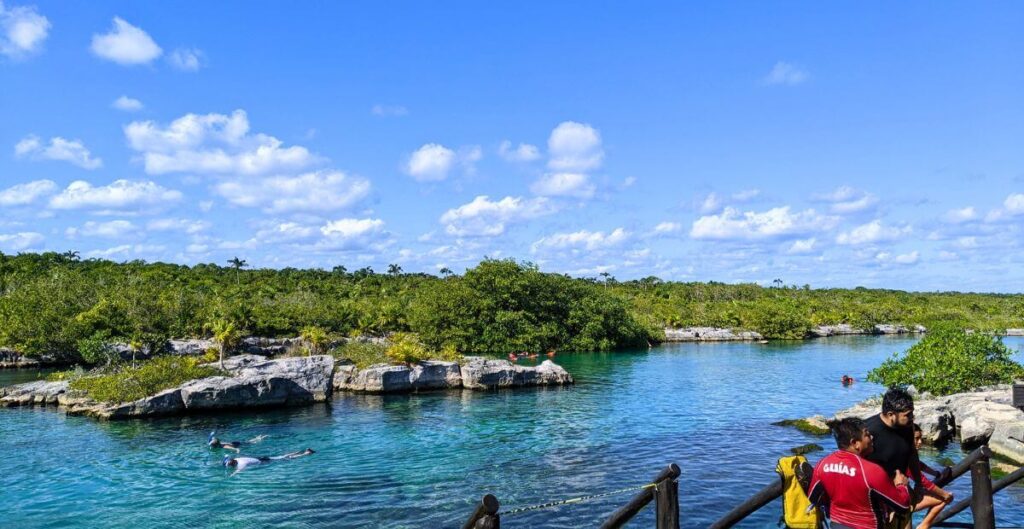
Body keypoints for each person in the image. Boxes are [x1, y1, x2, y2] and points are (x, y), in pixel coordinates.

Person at [808, 417, 910, 529]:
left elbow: (813, 498)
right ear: (855, 443)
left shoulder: (822, 464)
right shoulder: (871, 471)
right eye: (867, 434)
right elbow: (902, 505)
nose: (872, 437)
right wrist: (901, 485)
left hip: (837, 524)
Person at [864, 388, 937, 529]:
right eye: (908, 415)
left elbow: (912, 454)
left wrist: (919, 484)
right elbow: (855, 466)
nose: (912, 418)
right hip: (877, 500)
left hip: (902, 493)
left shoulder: (907, 427)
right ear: (891, 415)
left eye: (912, 413)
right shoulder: (868, 431)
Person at [911, 424, 954, 529]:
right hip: (900, 503)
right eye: (916, 438)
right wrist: (945, 494)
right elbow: (922, 480)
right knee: (943, 499)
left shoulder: (910, 454)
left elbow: (919, 465)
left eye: (920, 438)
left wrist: (936, 473)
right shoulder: (905, 456)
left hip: (903, 497)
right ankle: (923, 526)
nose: (920, 442)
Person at [223, 448, 315, 476]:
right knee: (282, 457)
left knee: (286, 458)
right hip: (261, 458)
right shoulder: (237, 459)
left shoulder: (241, 464)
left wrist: (231, 475)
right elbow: (229, 459)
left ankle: (306, 453)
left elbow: (237, 471)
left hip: (263, 462)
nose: (229, 466)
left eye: (229, 465)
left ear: (233, 463)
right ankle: (301, 451)